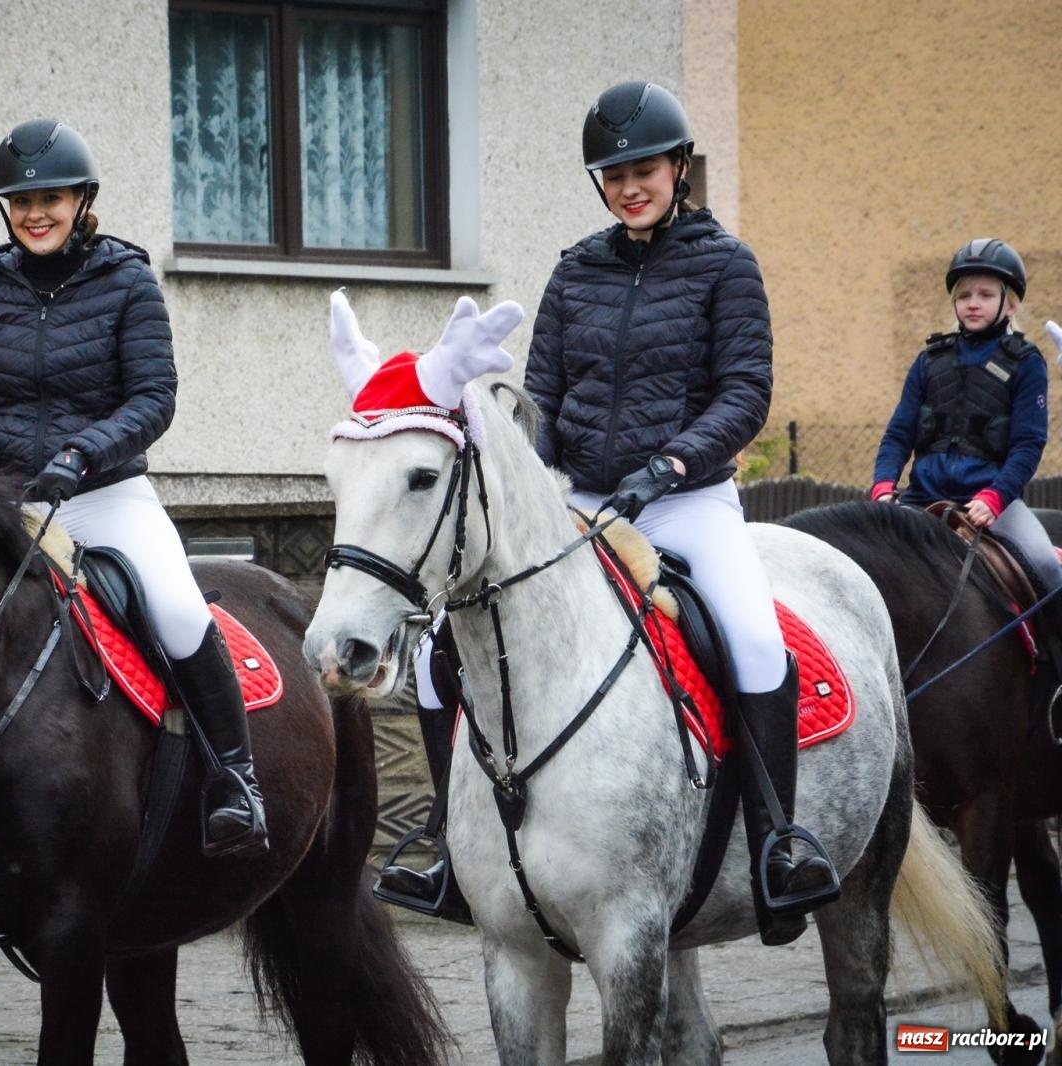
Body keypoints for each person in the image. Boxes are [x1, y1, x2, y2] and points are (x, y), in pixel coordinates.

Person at [380, 81, 839, 947]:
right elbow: (544, 390)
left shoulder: (725, 265)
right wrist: (532, 466)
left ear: (678, 169)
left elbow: (745, 393)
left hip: (685, 500)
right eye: (613, 174)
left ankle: (780, 841)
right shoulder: (576, 269)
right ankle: (446, 844)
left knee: (751, 638)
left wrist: (669, 465)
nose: (629, 186)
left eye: (644, 170)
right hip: (581, 501)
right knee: (445, 652)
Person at [0, 119, 268, 862]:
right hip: (7, 500)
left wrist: (83, 454)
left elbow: (154, 397)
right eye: (19, 201)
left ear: (82, 201)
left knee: (177, 611)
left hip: (106, 495)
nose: (34, 213)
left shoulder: (127, 281)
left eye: (50, 198)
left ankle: (235, 781)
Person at [871, 239, 1062, 710]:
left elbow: (1027, 445)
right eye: (963, 295)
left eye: (984, 294)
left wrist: (994, 498)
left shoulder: (1027, 363)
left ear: (1008, 302)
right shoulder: (929, 361)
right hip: (922, 499)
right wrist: (882, 486)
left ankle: (1056, 687)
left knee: (1048, 570)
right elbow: (898, 434)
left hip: (992, 504)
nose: (972, 303)